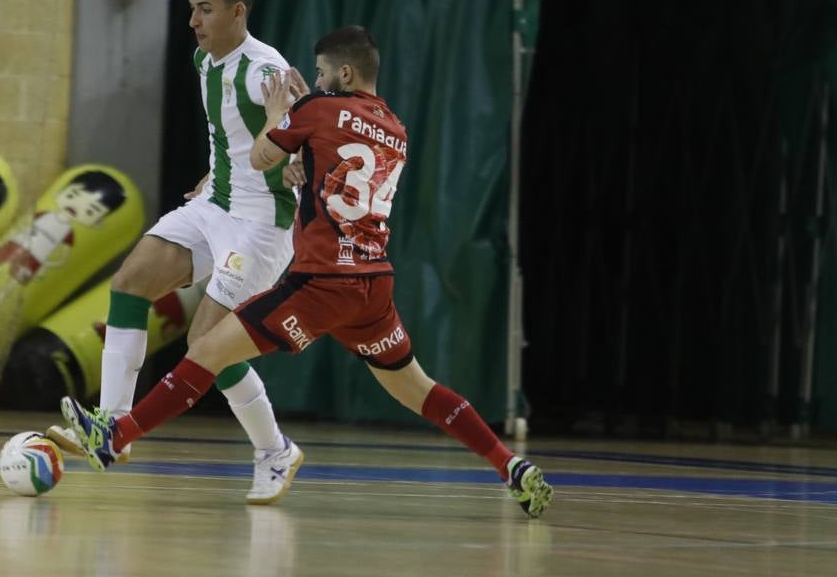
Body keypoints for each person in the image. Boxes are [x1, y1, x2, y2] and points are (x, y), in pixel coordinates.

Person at [61, 26, 554, 520]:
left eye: (320, 73)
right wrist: (302, 163)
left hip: (322, 283)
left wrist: (280, 115)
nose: (314, 80)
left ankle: (115, 436)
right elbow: (339, 172)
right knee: (418, 389)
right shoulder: (397, 131)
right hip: (373, 283)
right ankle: (510, 465)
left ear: (344, 72)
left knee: (205, 348)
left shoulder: (318, 108)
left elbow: (260, 157)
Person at [47, 0, 306, 505]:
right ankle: (111, 429)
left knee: (206, 344)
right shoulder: (205, 61)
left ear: (237, 12)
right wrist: (217, 172)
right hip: (213, 204)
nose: (193, 20)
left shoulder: (266, 72)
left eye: (205, 9)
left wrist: (299, 155)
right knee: (131, 281)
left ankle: (275, 449)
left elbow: (299, 126)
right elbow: (233, 135)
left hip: (259, 225)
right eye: (192, 8)